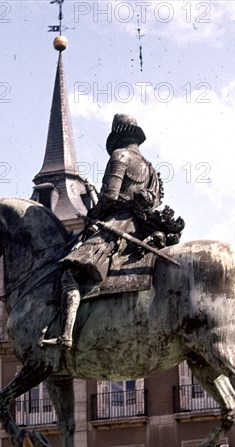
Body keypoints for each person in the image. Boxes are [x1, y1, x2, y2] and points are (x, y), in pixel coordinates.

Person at [41, 114, 162, 350]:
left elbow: (110, 196)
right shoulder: (150, 168)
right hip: (140, 227)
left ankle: (65, 335)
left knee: (70, 273)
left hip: (117, 224)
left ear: (116, 135)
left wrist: (94, 214)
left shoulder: (120, 156)